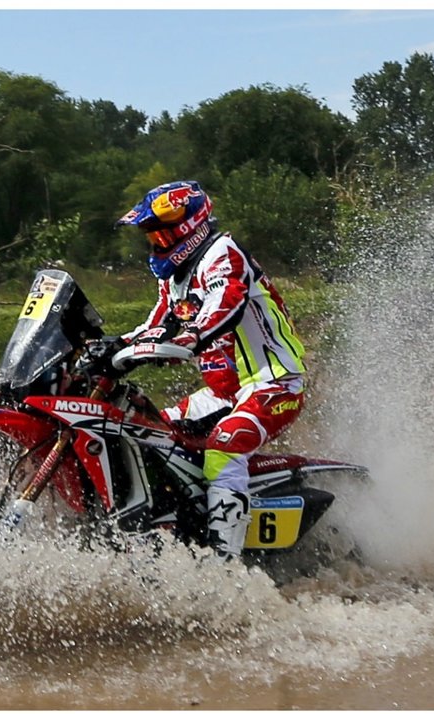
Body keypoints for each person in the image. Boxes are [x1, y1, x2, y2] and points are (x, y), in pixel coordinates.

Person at [115, 180, 307, 560]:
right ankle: (176, 530)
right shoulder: (174, 276)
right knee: (148, 433)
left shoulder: (223, 253)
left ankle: (223, 564)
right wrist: (109, 345)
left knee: (224, 444)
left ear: (190, 228)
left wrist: (192, 335)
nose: (156, 243)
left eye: (162, 234)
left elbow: (226, 302)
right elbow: (157, 323)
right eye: (150, 236)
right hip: (224, 394)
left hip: (276, 383)